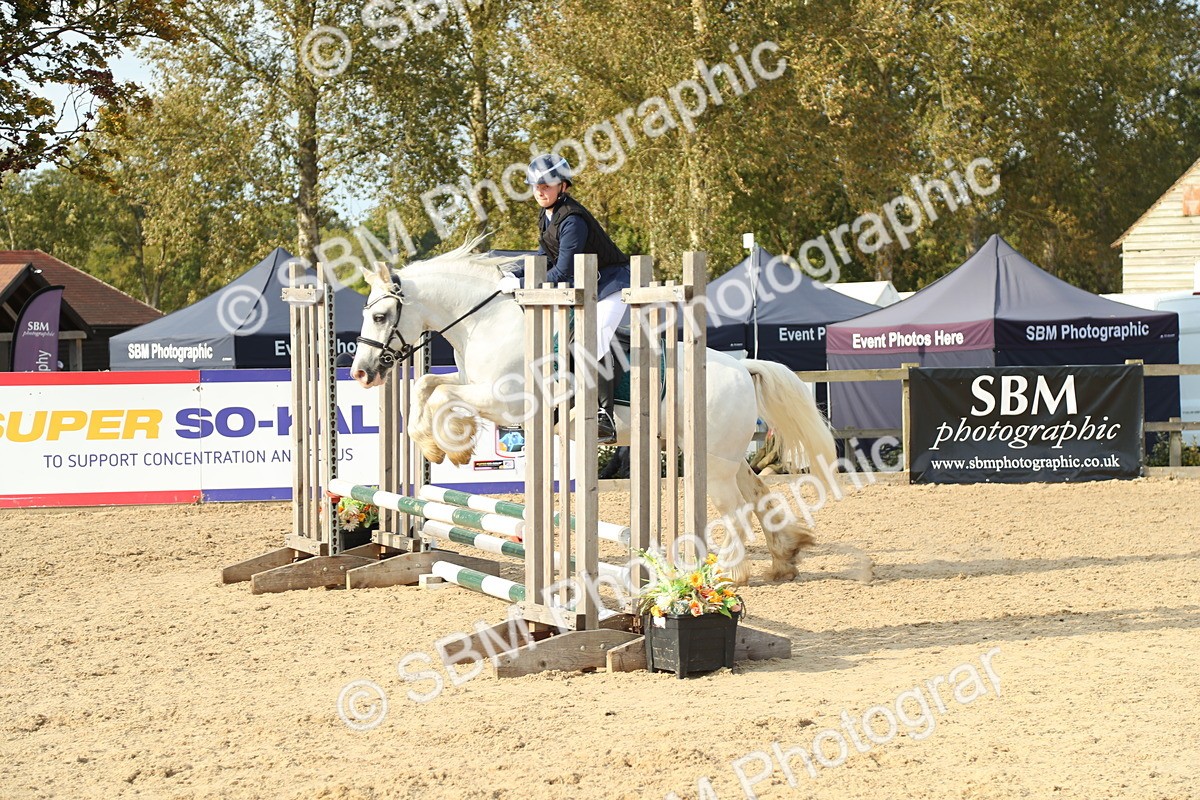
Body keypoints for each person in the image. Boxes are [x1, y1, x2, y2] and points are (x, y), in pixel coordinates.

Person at [498, 154, 630, 444]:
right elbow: (544, 259)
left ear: (563, 186)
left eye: (546, 185)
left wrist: (520, 283)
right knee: (561, 344)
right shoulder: (547, 217)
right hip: (586, 287)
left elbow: (561, 271)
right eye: (536, 186)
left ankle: (604, 415)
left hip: (611, 286)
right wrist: (512, 272)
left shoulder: (572, 219)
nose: (540, 191)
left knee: (591, 340)